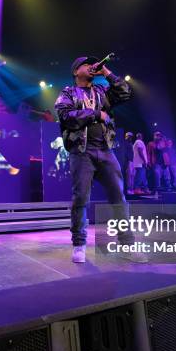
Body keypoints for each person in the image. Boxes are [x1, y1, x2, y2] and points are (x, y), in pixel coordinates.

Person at [55, 56, 134, 263]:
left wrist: (106, 73)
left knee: (119, 198)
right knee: (81, 198)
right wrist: (95, 114)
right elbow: (65, 116)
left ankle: (127, 244)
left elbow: (125, 92)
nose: (91, 66)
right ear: (75, 72)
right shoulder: (68, 92)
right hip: (82, 152)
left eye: (93, 64)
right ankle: (79, 244)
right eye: (86, 64)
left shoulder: (101, 91)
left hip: (106, 150)